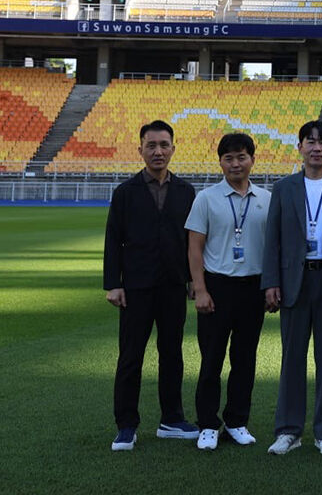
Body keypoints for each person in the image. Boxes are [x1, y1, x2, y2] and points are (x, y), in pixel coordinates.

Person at [261, 120, 322, 456]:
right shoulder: (284, 187)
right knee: (292, 358)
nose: (317, 147)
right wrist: (271, 282)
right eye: (310, 141)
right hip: (294, 280)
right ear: (300, 146)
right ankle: (288, 430)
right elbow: (272, 240)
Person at [103, 119, 198, 450]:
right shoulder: (125, 192)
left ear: (174, 147)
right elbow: (113, 240)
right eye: (151, 145)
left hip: (173, 285)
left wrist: (192, 280)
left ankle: (171, 419)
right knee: (131, 356)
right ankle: (126, 424)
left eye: (163, 145)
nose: (158, 151)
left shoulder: (186, 192)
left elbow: (193, 241)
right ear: (140, 149)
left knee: (172, 354)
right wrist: (113, 284)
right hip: (137, 287)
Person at [185, 133, 271, 450]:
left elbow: (272, 247)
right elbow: (194, 248)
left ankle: (236, 421)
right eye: (229, 158)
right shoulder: (206, 198)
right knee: (211, 360)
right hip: (216, 287)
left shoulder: (266, 199)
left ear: (252, 159)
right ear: (220, 161)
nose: (235, 163)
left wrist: (270, 287)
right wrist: (200, 289)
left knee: (245, 360)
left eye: (241, 157)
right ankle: (207, 423)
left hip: (253, 288)